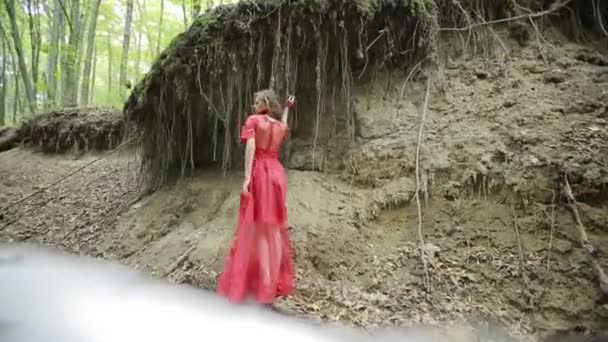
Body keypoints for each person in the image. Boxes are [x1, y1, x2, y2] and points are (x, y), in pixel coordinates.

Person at [217, 89, 296, 305]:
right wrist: (288, 109)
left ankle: (267, 283)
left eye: (257, 101)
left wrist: (246, 176)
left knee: (261, 228)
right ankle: (275, 282)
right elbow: (283, 126)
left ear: (267, 103)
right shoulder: (279, 126)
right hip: (278, 174)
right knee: (275, 228)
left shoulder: (254, 121)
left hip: (261, 171)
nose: (253, 106)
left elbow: (251, 146)